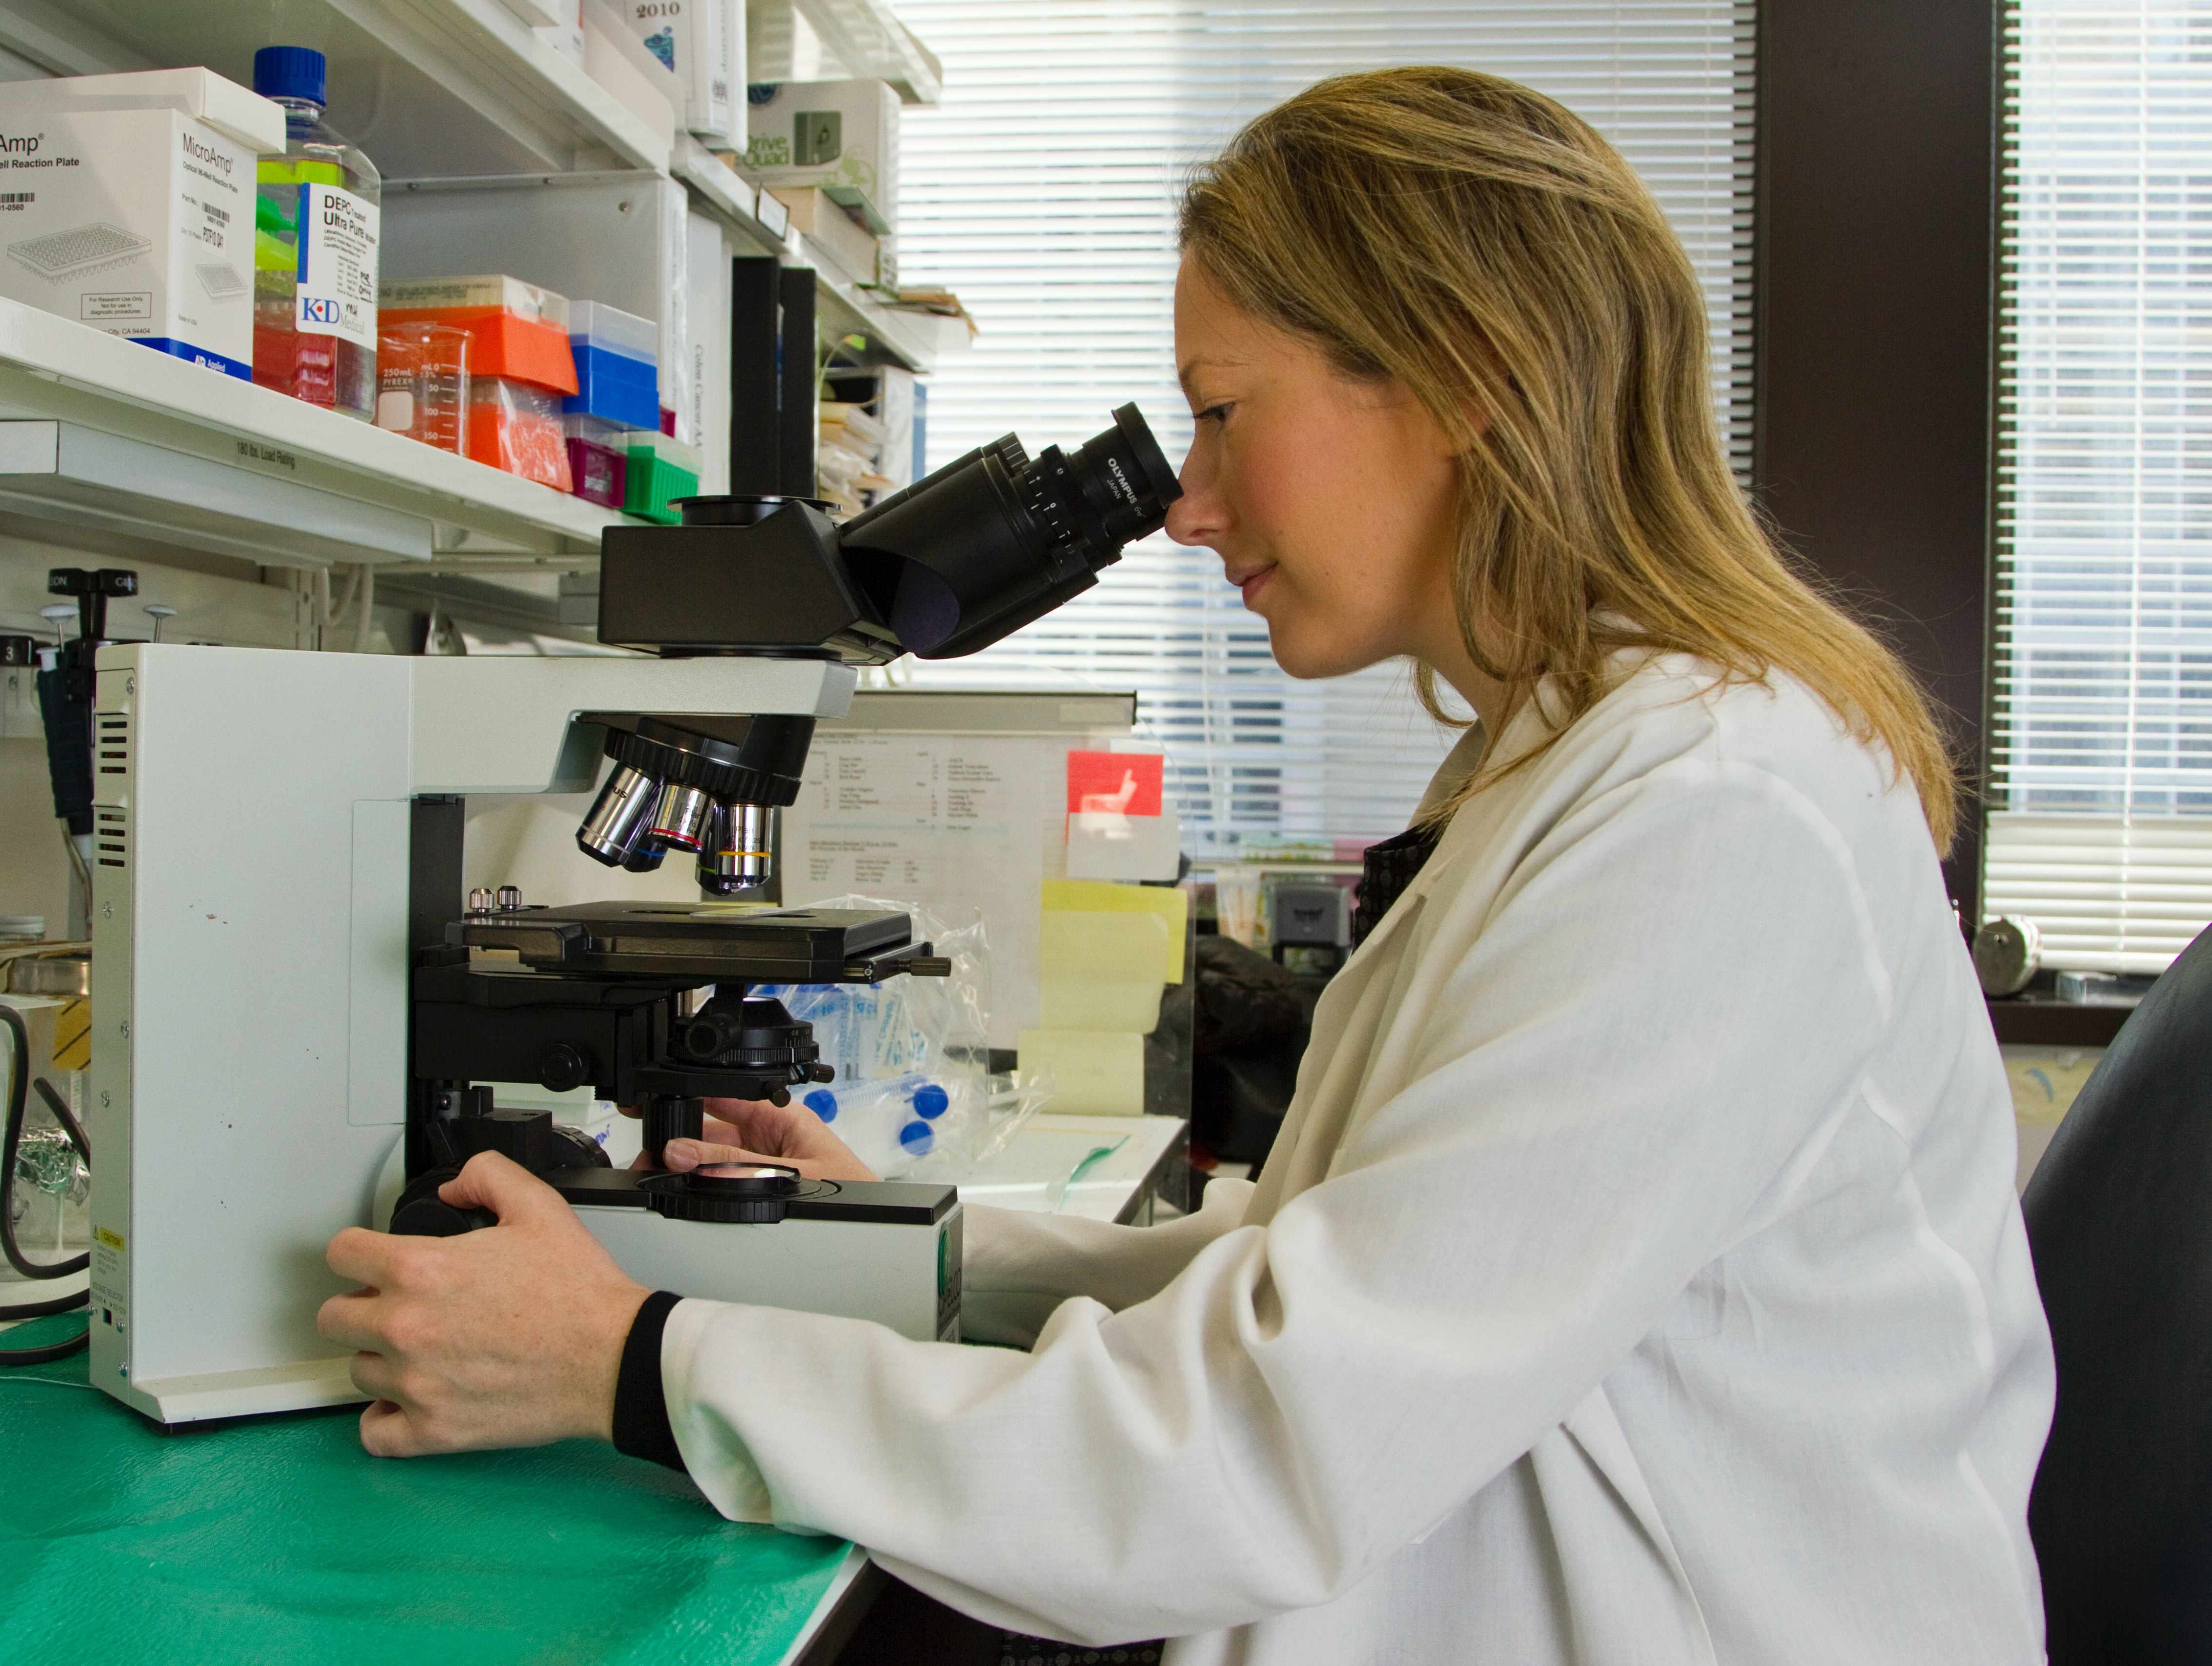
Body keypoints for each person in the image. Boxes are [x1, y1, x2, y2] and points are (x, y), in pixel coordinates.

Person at [316, 66, 2055, 1664]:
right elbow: (1329, 1275)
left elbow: (1260, 1445)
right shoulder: (1594, 761)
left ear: (1464, 381)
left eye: (1223, 413)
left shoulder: (1709, 819)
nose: (1193, 502)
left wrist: (629, 1363)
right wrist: (914, 1237)